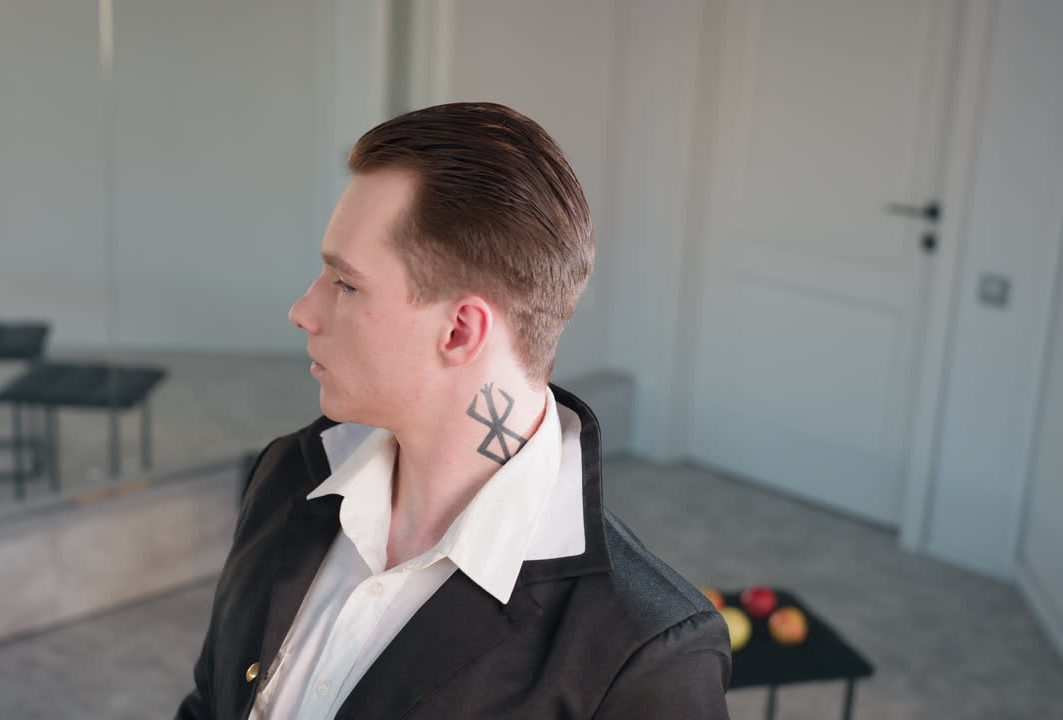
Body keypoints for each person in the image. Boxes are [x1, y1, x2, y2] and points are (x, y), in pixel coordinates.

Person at [175, 102, 731, 720]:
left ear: (461, 331)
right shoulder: (289, 475)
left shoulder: (643, 656)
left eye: (346, 284)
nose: (304, 311)